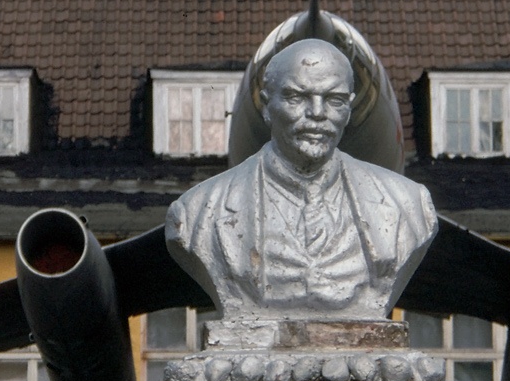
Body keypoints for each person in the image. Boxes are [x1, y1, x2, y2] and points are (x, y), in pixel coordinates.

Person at [165, 39, 437, 321]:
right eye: (296, 97)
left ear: (349, 108)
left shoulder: (409, 205)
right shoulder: (197, 213)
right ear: (267, 107)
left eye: (334, 100)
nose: (317, 113)